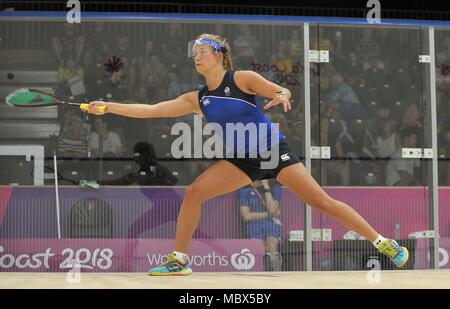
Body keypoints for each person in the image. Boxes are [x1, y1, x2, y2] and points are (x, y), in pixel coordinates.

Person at [85, 33, 409, 276]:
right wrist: (109, 106)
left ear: (219, 56)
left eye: (202, 52)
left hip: (271, 151)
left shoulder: (241, 79)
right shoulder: (197, 98)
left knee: (320, 202)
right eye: (194, 53)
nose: (196, 57)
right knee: (194, 192)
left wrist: (281, 94)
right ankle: (179, 261)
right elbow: (152, 110)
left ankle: (384, 243)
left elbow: (280, 89)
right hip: (241, 161)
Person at [238, 180, 283, 271]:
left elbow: (272, 210)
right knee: (260, 249)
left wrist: (266, 187)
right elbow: (246, 216)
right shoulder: (245, 188)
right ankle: (261, 277)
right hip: (253, 226)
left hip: (271, 224)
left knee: (271, 244)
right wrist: (270, 214)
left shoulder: (275, 187)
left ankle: (275, 273)